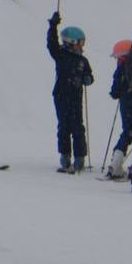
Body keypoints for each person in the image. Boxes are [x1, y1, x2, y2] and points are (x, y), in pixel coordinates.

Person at [47, 12, 95, 171]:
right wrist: (53, 26)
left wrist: (87, 79)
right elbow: (51, 44)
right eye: (80, 43)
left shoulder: (83, 61)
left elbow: (89, 75)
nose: (82, 46)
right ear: (71, 42)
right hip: (61, 95)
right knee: (64, 127)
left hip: (75, 98)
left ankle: (79, 158)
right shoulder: (61, 55)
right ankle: (65, 156)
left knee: (77, 127)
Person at [109, 40, 132, 180]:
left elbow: (114, 92)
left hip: (125, 105)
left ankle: (115, 164)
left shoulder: (120, 70)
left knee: (127, 132)